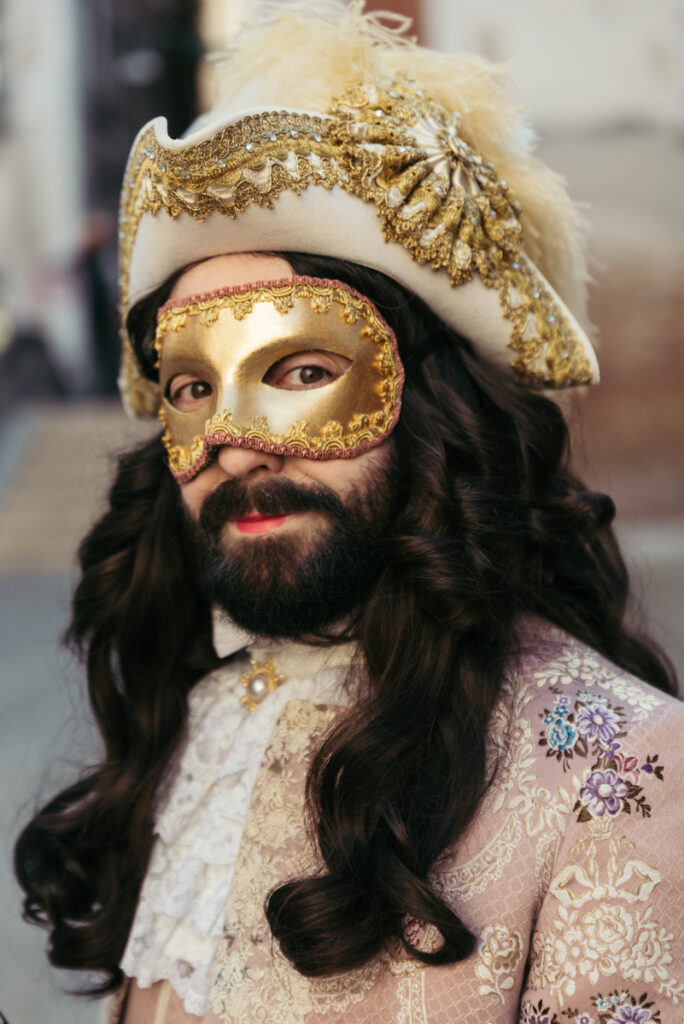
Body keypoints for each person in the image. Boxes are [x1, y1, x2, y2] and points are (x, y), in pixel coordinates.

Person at [15, 4, 683, 1023]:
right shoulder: (202, 719)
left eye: (302, 369)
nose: (234, 439)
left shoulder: (626, 767)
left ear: (437, 410)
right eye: (192, 389)